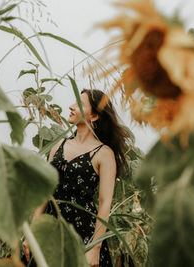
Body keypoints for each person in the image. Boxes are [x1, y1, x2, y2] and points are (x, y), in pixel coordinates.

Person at [23, 89, 130, 267]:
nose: (71, 107)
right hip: (50, 230)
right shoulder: (58, 145)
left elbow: (105, 202)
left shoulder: (104, 153)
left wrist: (95, 248)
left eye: (79, 104)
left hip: (83, 235)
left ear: (94, 116)